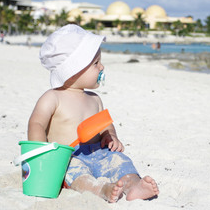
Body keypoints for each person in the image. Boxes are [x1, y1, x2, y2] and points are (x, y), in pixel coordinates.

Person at [28, 24, 159, 203]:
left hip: (100, 152)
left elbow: (105, 124)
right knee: (77, 176)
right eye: (96, 63)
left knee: (120, 161)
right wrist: (41, 156)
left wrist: (110, 135)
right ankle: (100, 189)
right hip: (69, 157)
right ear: (74, 69)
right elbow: (37, 124)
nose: (102, 67)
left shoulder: (95, 99)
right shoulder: (53, 98)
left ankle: (133, 184)